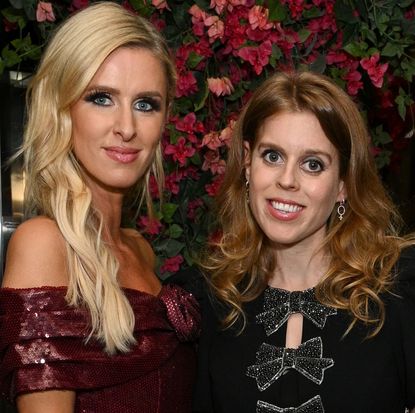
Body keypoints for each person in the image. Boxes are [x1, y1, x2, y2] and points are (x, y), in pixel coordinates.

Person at [0, 3, 200, 413]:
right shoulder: (44, 244)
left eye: (146, 104)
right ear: (63, 110)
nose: (127, 127)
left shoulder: (139, 249)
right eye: (101, 98)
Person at [192, 71, 415, 412]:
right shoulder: (209, 302)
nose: (287, 180)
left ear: (342, 183)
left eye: (312, 164)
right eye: (273, 156)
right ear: (248, 164)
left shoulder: (398, 292)